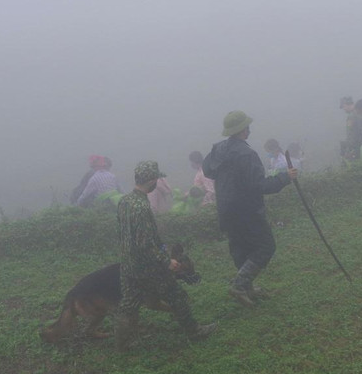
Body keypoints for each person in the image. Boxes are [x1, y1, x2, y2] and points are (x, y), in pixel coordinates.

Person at [114, 161, 216, 351]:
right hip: (148, 266)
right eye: (157, 179)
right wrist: (166, 261)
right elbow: (145, 243)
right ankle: (194, 332)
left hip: (128, 264)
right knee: (177, 296)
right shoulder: (141, 207)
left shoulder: (125, 201)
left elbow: (124, 234)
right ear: (151, 180)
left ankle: (122, 344)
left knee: (128, 304)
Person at [203, 111, 298, 307]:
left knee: (241, 249)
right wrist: (286, 177)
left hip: (226, 209)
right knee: (266, 246)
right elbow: (260, 185)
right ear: (243, 130)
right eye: (247, 127)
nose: (249, 130)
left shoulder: (218, 149)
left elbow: (208, 171)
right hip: (246, 211)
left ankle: (248, 288)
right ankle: (239, 285)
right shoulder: (247, 154)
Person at [339, 96, 362, 162]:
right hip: (361, 145)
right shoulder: (359, 113)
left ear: (347, 104)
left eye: (343, 106)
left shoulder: (351, 116)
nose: (344, 109)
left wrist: (349, 150)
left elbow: (351, 134)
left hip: (355, 148)